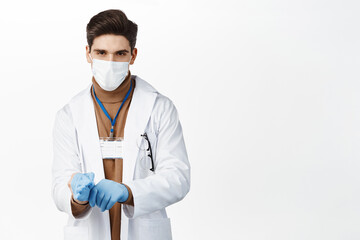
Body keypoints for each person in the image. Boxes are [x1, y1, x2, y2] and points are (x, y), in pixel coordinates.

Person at [51, 9, 191, 240]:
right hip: (89, 232)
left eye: (120, 53)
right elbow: (59, 187)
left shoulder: (160, 108)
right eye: (101, 52)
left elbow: (178, 178)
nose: (110, 62)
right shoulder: (69, 115)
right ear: (88, 53)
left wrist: (128, 192)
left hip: (143, 231)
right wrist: (76, 197)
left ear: (133, 55)